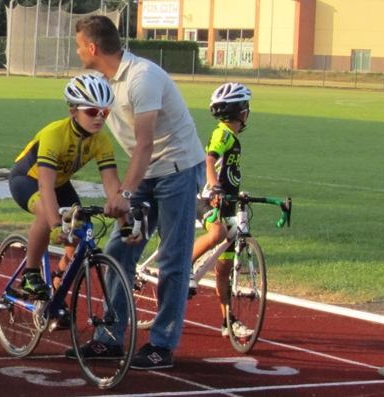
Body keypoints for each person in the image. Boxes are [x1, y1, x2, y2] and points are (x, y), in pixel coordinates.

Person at [72, 15, 206, 370]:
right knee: (119, 249)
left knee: (173, 259)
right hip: (144, 171)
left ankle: (162, 344)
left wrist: (125, 194)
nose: (77, 51)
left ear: (92, 47)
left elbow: (145, 144)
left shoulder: (142, 78)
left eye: (78, 45)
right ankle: (110, 337)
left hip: (176, 169)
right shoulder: (100, 82)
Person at [8, 74, 121, 303]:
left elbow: (111, 183)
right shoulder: (54, 134)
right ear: (73, 111)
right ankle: (30, 274)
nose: (99, 118)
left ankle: (57, 288)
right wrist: (55, 225)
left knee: (77, 235)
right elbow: (45, 185)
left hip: (61, 184)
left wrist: (122, 213)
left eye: (104, 112)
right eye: (91, 112)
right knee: (47, 211)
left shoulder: (101, 141)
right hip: (27, 180)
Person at [190, 82, 253, 338]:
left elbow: (228, 170)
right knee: (216, 233)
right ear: (241, 111)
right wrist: (214, 185)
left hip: (226, 201)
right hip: (207, 198)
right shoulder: (223, 133)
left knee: (224, 268)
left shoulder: (232, 137)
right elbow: (210, 159)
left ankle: (227, 320)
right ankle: (184, 266)